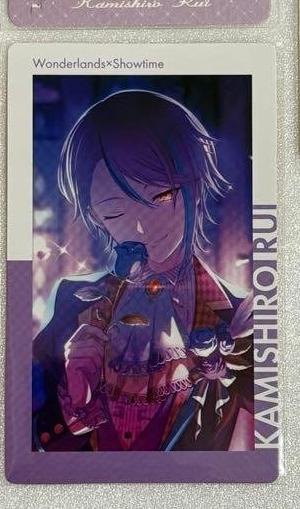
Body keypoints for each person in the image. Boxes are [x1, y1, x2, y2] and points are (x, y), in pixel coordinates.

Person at [33, 90, 254, 452]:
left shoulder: (242, 318)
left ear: (195, 188)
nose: (140, 227)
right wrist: (74, 398)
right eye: (115, 211)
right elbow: (30, 438)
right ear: (96, 216)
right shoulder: (72, 304)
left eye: (160, 197)